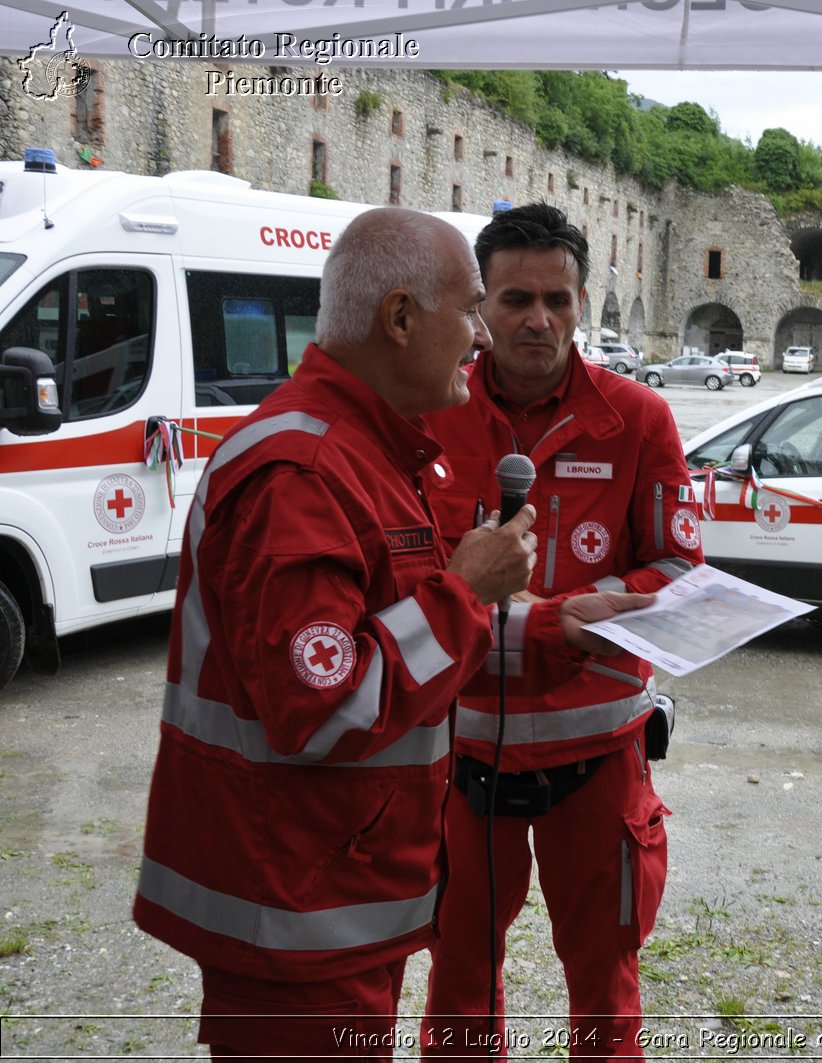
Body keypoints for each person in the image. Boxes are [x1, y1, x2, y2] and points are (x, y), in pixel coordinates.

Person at [132, 208, 541, 1059]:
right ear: (399, 318)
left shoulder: (365, 450)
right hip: (294, 918)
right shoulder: (304, 471)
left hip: (331, 900)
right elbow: (323, 708)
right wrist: (464, 596)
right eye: (469, 310)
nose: (480, 337)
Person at [420, 202, 702, 1060]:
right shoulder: (433, 407)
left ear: (583, 302)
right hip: (462, 757)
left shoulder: (640, 416)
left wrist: (595, 607)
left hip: (599, 758)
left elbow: (680, 568)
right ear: (481, 308)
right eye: (514, 300)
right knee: (460, 979)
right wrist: (537, 618)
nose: (538, 319)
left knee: (606, 986)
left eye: (558, 299)